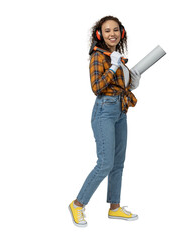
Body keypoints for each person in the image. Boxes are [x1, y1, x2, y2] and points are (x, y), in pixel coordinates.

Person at [68, 16, 141, 227]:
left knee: (118, 163)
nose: (112, 34)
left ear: (122, 33)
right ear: (100, 34)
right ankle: (78, 204)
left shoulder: (116, 56)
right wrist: (113, 67)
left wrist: (131, 82)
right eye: (107, 30)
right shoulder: (99, 57)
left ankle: (115, 208)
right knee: (105, 163)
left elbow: (117, 86)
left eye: (116, 30)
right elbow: (97, 87)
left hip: (121, 110)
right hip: (104, 112)